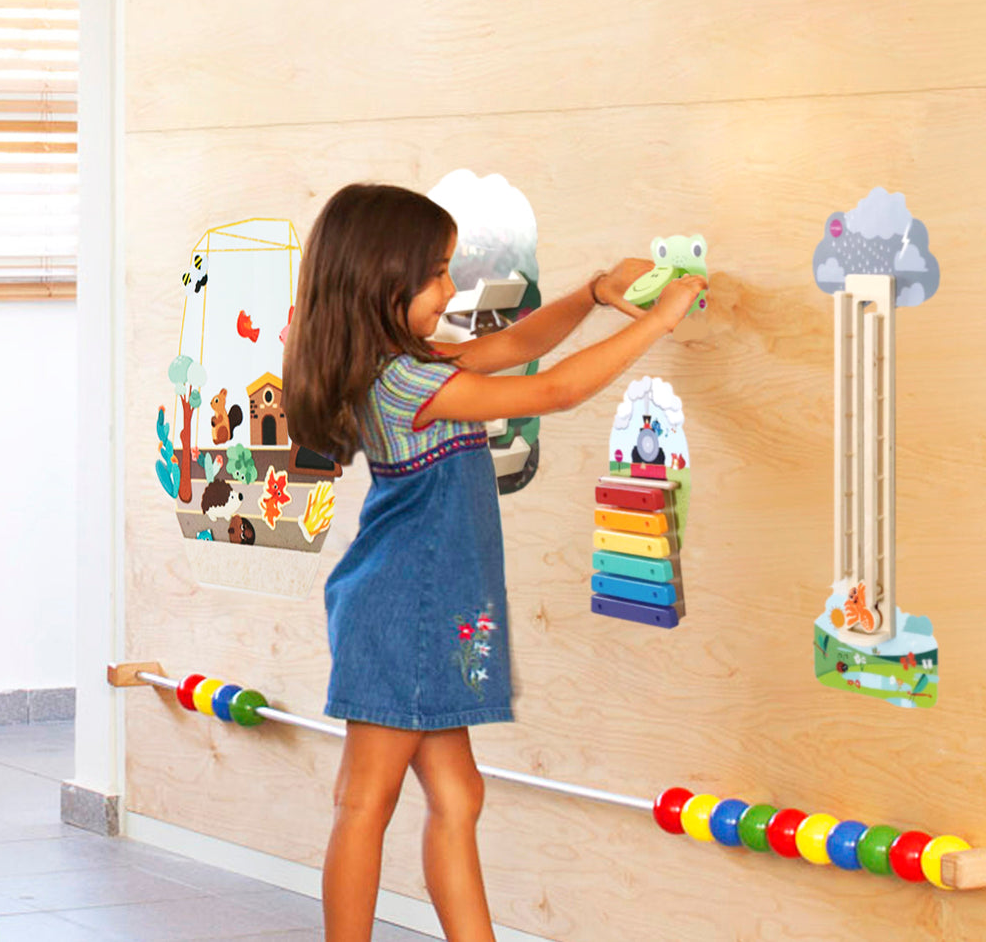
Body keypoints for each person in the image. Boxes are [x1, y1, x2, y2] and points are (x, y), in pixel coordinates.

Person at [282, 183, 706, 942]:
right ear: (383, 282)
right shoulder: (407, 381)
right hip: (408, 607)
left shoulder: (405, 359)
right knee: (366, 800)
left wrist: (595, 293)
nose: (451, 288)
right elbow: (554, 388)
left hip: (432, 606)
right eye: (437, 272)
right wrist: (663, 321)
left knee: (458, 794)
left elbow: (515, 344)